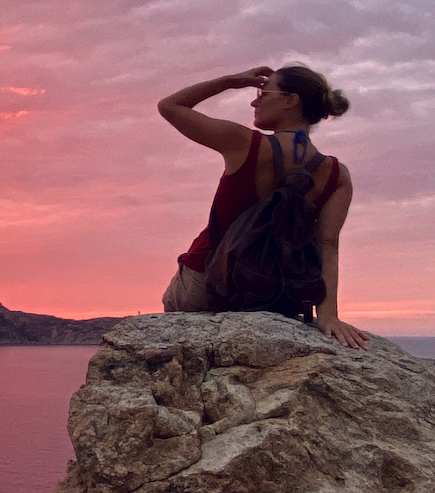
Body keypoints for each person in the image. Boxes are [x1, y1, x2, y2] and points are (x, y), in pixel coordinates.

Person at [157, 64, 369, 349]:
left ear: (290, 100)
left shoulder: (244, 142)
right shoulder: (336, 174)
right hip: (277, 295)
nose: (254, 100)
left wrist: (230, 80)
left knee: (177, 294)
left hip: (205, 286)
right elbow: (327, 246)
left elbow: (170, 106)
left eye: (263, 93)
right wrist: (328, 316)